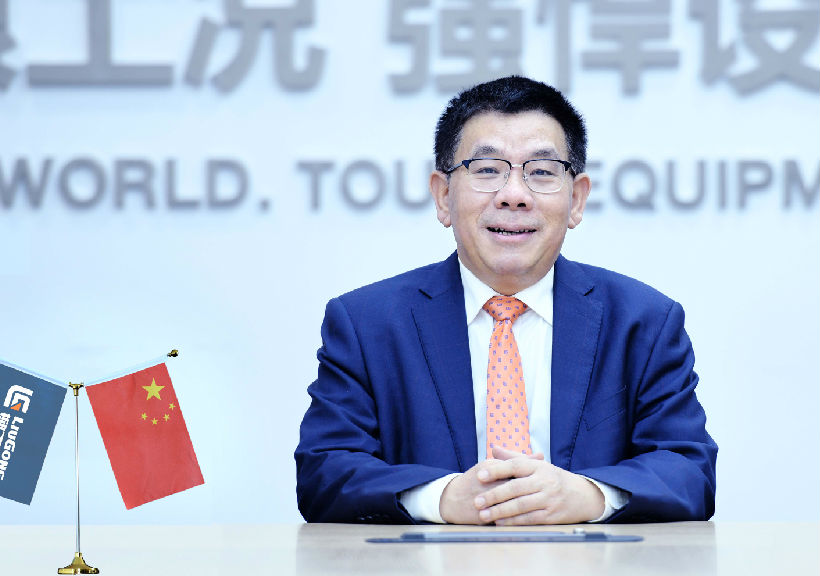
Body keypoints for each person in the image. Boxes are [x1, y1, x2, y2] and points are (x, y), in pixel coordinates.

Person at [295, 76, 717, 525]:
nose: (514, 195)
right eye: (486, 170)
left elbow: (689, 471)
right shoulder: (367, 324)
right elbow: (325, 471)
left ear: (577, 199)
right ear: (442, 195)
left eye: (542, 172)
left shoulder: (643, 322)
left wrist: (589, 495)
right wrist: (443, 498)